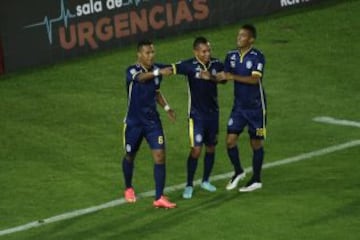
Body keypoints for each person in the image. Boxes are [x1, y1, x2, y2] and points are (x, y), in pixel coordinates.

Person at [122, 40, 176, 208]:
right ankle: (128, 187)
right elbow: (141, 78)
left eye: (152, 52)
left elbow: (156, 92)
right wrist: (158, 71)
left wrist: (167, 108)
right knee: (130, 155)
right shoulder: (132, 70)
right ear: (139, 55)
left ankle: (159, 197)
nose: (151, 56)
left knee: (160, 156)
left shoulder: (156, 71)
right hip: (134, 123)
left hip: (152, 122)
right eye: (147, 53)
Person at [171, 37, 225, 199]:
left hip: (213, 114)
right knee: (196, 150)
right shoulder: (188, 65)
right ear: (196, 52)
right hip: (196, 116)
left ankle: (206, 180)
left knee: (211, 147)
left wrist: (211, 77)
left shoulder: (216, 64)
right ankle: (189, 185)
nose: (208, 53)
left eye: (209, 50)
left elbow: (223, 80)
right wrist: (155, 71)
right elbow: (171, 68)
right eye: (204, 51)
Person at [223, 24, 267, 192]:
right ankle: (238, 171)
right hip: (239, 107)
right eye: (238, 35)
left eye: (242, 36)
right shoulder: (230, 56)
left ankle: (256, 179)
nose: (238, 38)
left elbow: (255, 80)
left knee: (256, 143)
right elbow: (225, 77)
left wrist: (232, 76)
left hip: (256, 108)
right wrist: (213, 77)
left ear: (251, 39)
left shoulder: (258, 56)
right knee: (230, 141)